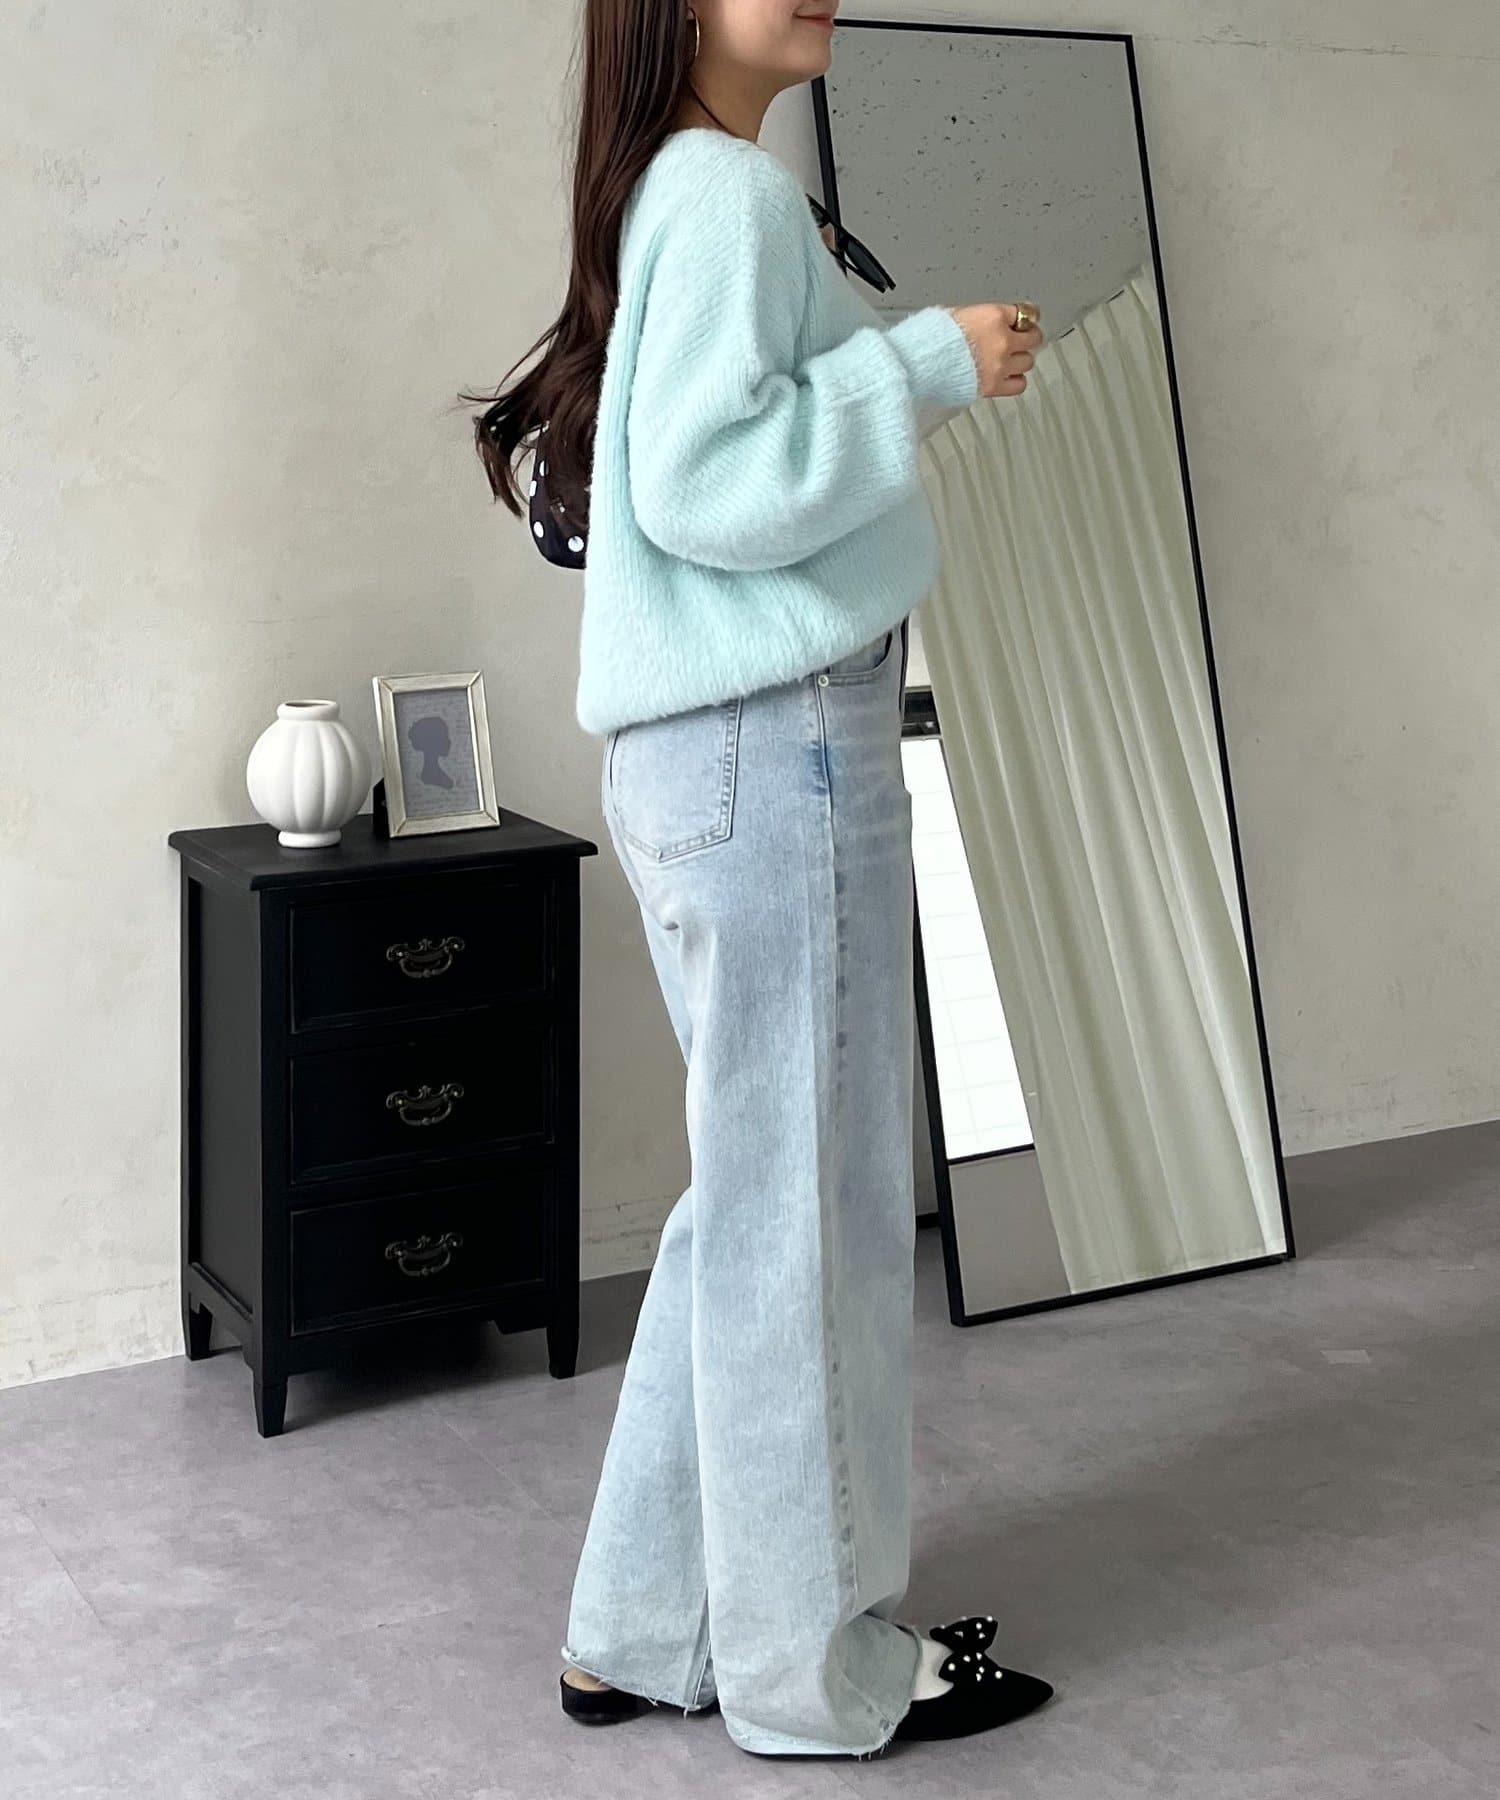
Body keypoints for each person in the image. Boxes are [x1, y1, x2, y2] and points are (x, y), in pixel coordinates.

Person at [468, 0, 1054, 1761]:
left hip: (709, 755)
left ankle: (642, 1629)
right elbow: (711, 484)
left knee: (754, 1204)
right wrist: (925, 364)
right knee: (808, 1215)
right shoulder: (720, 194)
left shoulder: (682, 187)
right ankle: (814, 1672)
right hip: (778, 739)